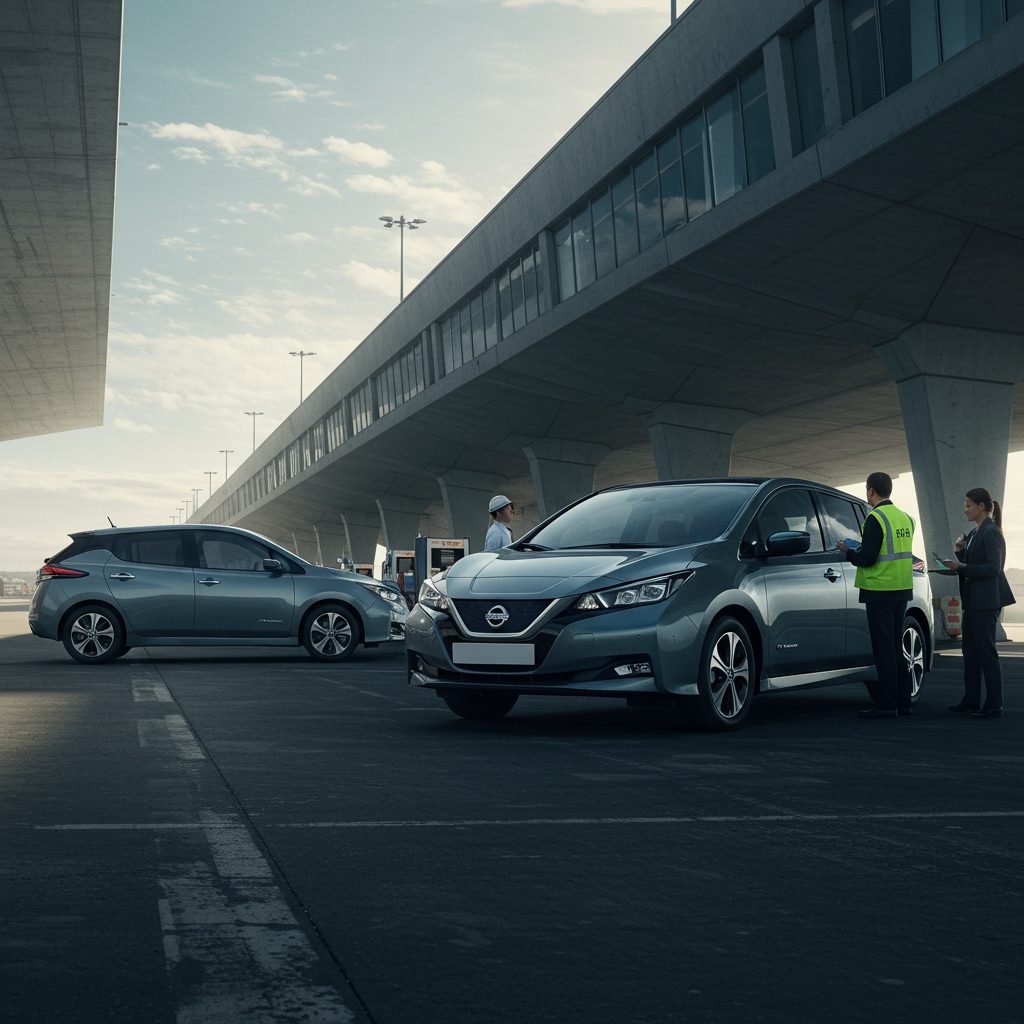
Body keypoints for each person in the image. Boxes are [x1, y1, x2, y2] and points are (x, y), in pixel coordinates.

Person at [838, 471, 915, 719]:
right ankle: (903, 702)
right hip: (901, 590)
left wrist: (848, 553)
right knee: (896, 647)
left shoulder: (875, 518)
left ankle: (886, 704)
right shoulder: (906, 518)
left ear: (871, 490)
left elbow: (868, 558)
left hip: (879, 590)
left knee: (884, 650)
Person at [940, 488, 1014, 718]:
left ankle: (994, 704)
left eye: (968, 505)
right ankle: (971, 700)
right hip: (972, 601)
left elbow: (994, 568)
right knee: (970, 653)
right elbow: (974, 564)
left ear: (982, 506)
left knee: (986, 652)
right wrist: (960, 554)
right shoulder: (974, 533)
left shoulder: (991, 532)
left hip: (986, 602)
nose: (965, 510)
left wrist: (961, 566)